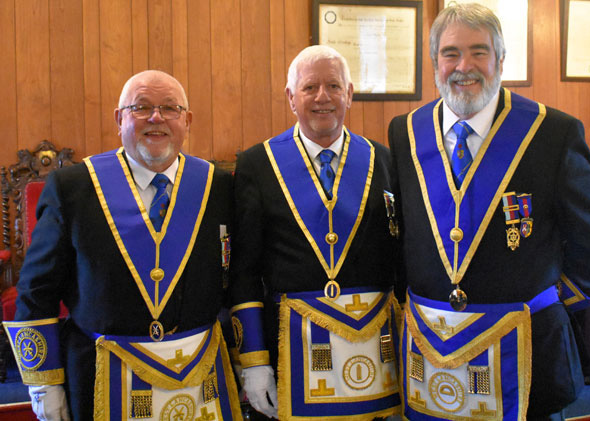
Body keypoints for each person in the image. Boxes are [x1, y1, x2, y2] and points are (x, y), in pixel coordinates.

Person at [388, 3, 590, 420]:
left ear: (500, 60)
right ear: (434, 62)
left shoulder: (552, 132)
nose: (464, 66)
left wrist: (549, 298)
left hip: (527, 351)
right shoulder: (406, 131)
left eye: (479, 51)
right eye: (450, 53)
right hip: (433, 350)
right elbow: (403, 233)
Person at [3, 70, 241, 420]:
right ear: (119, 119)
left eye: (170, 108)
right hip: (100, 376)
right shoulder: (73, 188)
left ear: (187, 121)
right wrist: (44, 383)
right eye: (141, 107)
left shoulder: (216, 186)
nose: (156, 118)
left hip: (200, 377)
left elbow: (236, 279)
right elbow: (37, 289)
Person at [229, 45, 402, 420]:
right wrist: (255, 360)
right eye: (309, 88)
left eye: (333, 87)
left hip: (376, 352)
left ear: (349, 94)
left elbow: (401, 262)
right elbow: (244, 270)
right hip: (292, 354)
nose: (322, 97)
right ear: (291, 98)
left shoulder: (385, 160)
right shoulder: (258, 164)